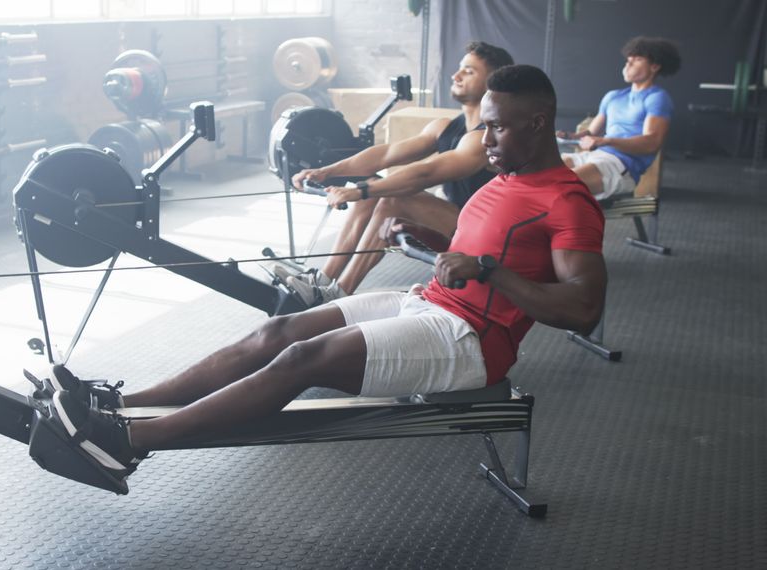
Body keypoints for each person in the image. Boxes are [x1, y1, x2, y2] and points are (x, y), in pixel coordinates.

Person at [48, 65, 608, 487]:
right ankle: (124, 405)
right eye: (484, 128)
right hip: (429, 301)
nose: (485, 141)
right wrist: (436, 242)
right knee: (278, 331)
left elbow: (583, 309)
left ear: (537, 124)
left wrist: (487, 269)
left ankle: (130, 442)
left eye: (497, 129)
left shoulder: (567, 202)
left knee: (302, 360)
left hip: (472, 341)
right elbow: (488, 251)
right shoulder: (505, 179)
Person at [280, 41, 514, 307]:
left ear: (492, 84)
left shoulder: (485, 137)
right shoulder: (445, 126)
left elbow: (427, 173)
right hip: (454, 219)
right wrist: (327, 171)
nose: (456, 75)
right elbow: (387, 154)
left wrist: (359, 191)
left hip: (483, 236)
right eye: (460, 68)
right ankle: (322, 281)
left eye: (469, 71)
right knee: (373, 189)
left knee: (392, 198)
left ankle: (339, 293)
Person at [557, 36, 681, 200]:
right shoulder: (613, 96)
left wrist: (607, 141)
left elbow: (652, 143)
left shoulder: (657, 98)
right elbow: (590, 133)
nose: (628, 64)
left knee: (560, 185)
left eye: (637, 60)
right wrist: (569, 136)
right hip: (593, 156)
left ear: (655, 66)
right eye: (628, 60)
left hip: (621, 165)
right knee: (536, 174)